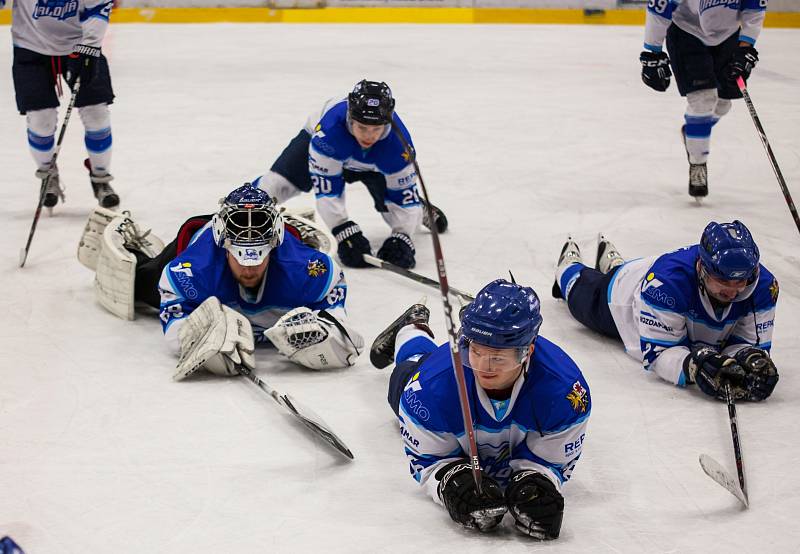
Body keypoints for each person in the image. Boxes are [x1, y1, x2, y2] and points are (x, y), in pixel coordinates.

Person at [370, 280, 590, 540]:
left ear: (527, 352)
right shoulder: (430, 388)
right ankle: (410, 328)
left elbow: (550, 460)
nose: (484, 367)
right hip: (432, 371)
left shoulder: (566, 391)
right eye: (474, 351)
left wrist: (535, 482)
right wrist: (451, 481)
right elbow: (429, 460)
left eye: (497, 357)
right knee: (411, 365)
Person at [77, 184, 364, 376]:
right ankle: (136, 251)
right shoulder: (190, 272)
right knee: (141, 285)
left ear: (272, 248)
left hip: (287, 255)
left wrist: (326, 329)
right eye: (240, 259)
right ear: (225, 246)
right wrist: (203, 341)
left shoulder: (308, 268)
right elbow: (174, 330)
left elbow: (340, 317)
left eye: (258, 259)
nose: (249, 269)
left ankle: (296, 225)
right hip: (193, 242)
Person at [552, 220, 779, 401]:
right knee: (577, 292)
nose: (732, 291)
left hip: (658, 284)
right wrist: (695, 367)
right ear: (702, 269)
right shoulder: (666, 285)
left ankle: (614, 263)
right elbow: (659, 353)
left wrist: (749, 359)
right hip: (625, 299)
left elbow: (747, 344)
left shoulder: (763, 286)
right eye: (722, 280)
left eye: (741, 282)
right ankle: (570, 267)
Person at [253, 79, 448, 270]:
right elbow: (327, 190)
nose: (369, 136)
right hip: (332, 150)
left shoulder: (398, 145)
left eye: (376, 129)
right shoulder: (328, 133)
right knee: (277, 185)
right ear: (350, 117)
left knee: (395, 209)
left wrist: (403, 235)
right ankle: (244, 205)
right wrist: (342, 229)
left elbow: (402, 194)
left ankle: (418, 207)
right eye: (362, 127)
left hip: (374, 164)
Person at [639, 0, 766, 199]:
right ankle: (698, 163)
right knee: (703, 101)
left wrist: (745, 47)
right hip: (686, 33)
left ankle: (693, 132)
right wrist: (652, 52)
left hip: (728, 35)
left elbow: (754, 8)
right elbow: (659, 8)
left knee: (723, 104)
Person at [9, 0, 120, 208]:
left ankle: (101, 179)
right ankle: (47, 174)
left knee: (97, 114)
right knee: (41, 119)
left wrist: (89, 47)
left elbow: (98, 6)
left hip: (79, 44)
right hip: (30, 46)